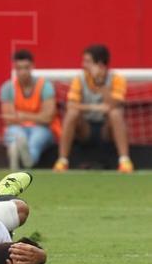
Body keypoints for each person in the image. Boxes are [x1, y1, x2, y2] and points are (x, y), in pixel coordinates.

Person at [54, 45, 134, 173]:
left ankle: (125, 161)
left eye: (87, 61)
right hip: (85, 129)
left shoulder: (117, 79)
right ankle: (62, 161)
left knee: (115, 114)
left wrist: (100, 82)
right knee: (72, 113)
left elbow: (113, 105)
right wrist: (95, 107)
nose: (83, 65)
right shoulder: (79, 78)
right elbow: (71, 105)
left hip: (106, 130)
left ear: (100, 64)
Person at [0, 50, 60, 170]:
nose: (23, 72)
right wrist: (36, 116)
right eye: (19, 68)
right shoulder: (7, 88)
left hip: (41, 128)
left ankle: (23, 157)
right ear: (15, 69)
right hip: (18, 127)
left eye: (26, 68)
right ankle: (20, 155)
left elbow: (48, 118)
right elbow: (7, 119)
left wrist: (22, 115)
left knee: (35, 140)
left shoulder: (45, 86)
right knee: (17, 134)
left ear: (32, 66)